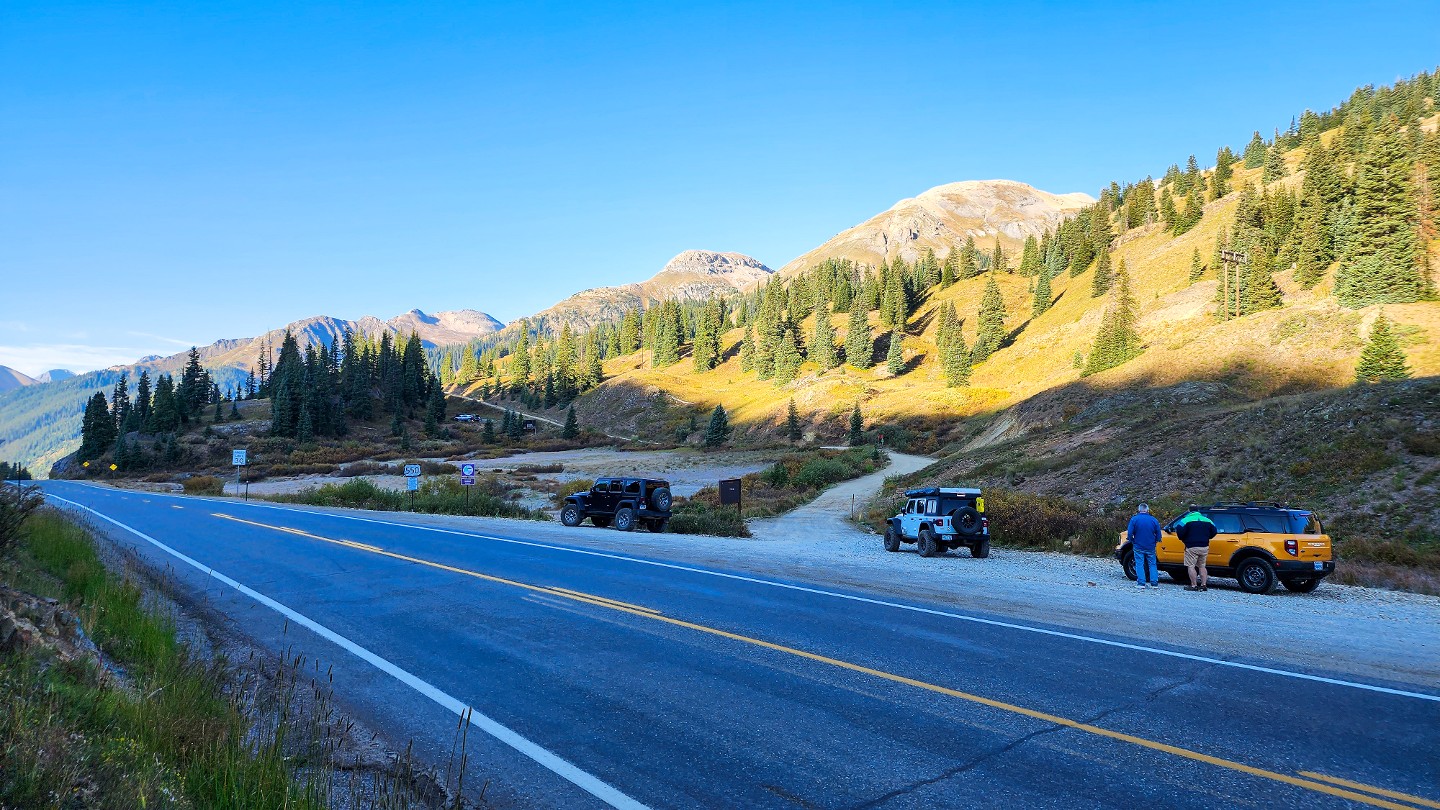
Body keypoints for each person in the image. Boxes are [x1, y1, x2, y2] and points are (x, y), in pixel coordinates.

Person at [1175, 505, 1218, 591]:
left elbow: (1179, 531)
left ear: (1189, 510)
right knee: (1202, 566)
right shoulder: (1208, 520)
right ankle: (1204, 585)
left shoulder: (1185, 520)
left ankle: (1194, 585)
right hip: (1204, 546)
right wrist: (1207, 537)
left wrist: (1184, 539)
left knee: (1191, 566)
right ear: (1198, 511)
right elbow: (1214, 531)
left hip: (1191, 546)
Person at [1127, 503, 1162, 590]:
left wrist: (1132, 540)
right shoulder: (1153, 520)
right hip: (1150, 546)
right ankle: (1154, 583)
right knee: (1152, 564)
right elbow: (1158, 533)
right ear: (1147, 510)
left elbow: (1130, 533)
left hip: (1138, 545)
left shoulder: (1134, 519)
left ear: (1139, 510)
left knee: (1139, 563)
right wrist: (1156, 541)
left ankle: (1141, 583)